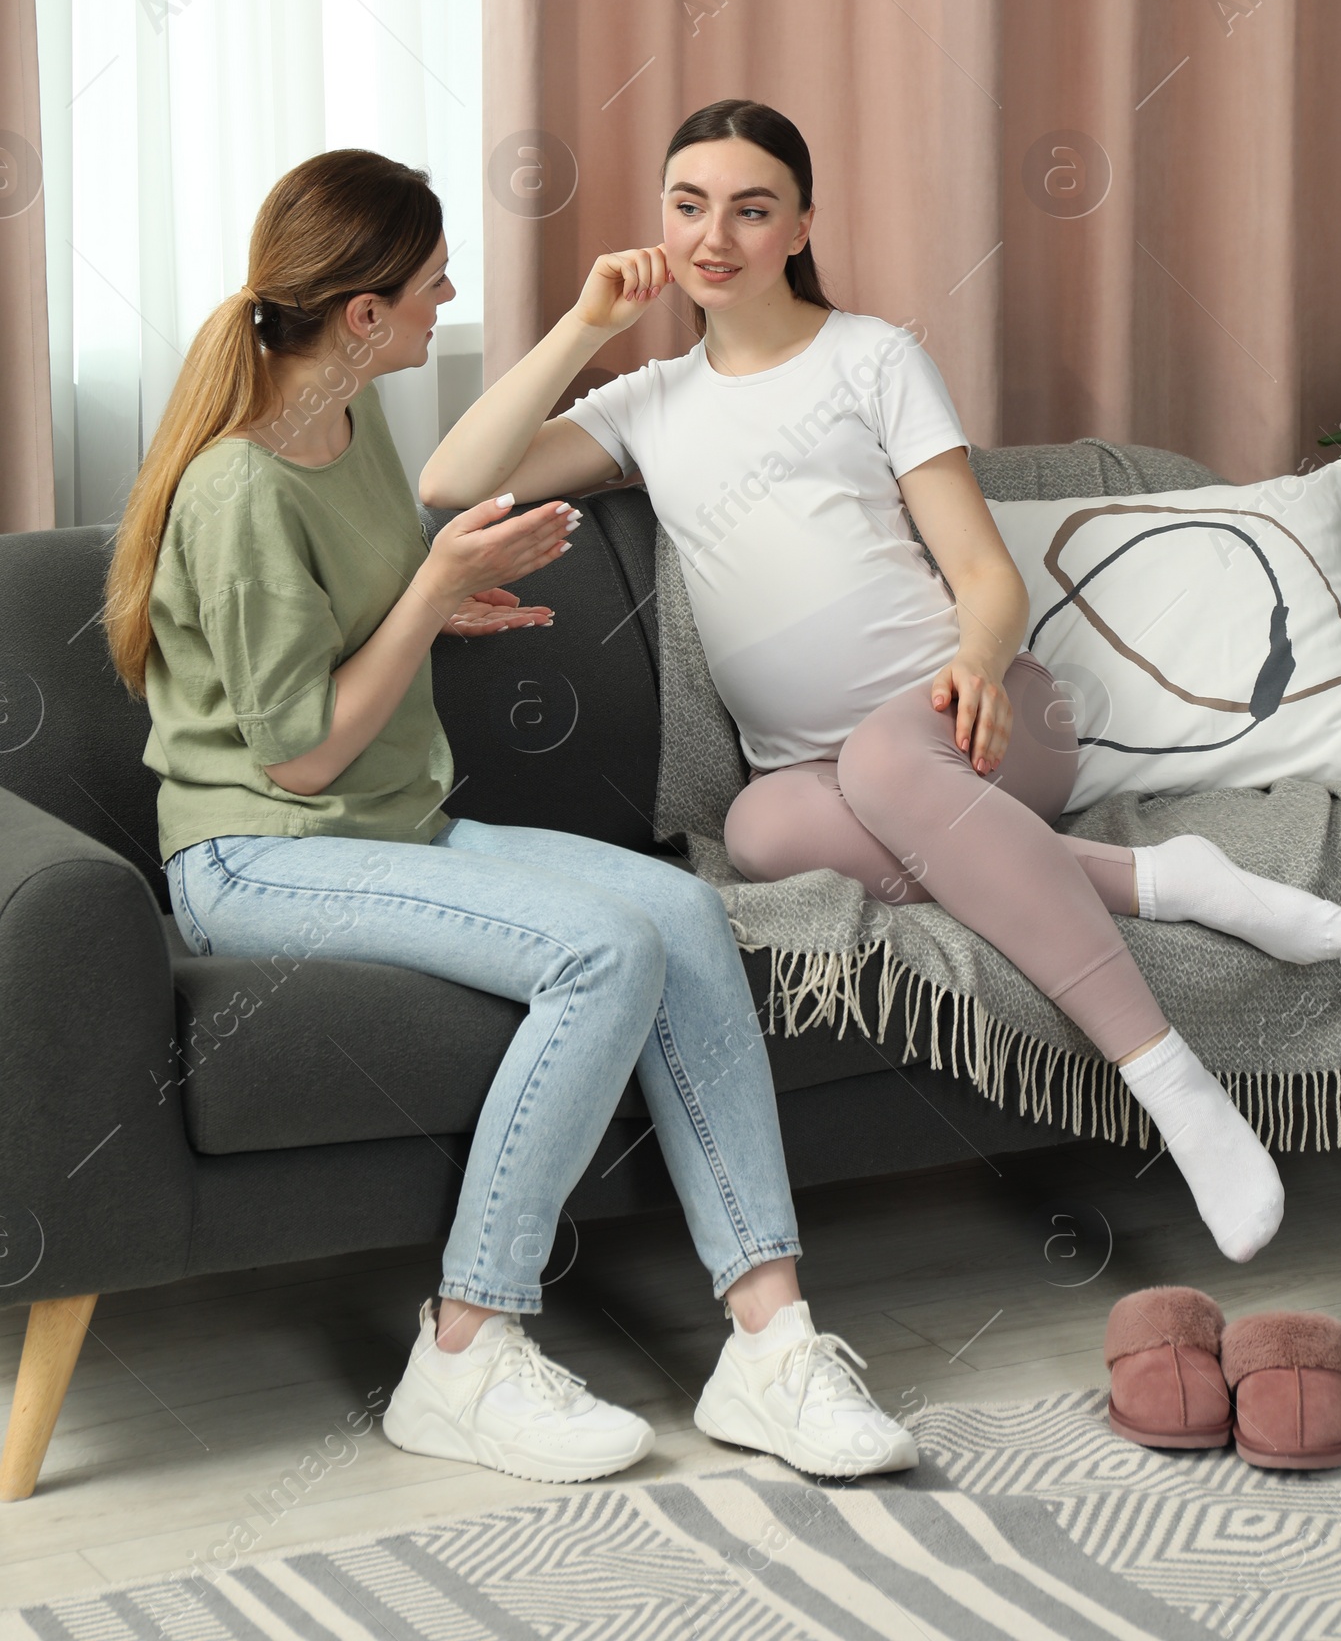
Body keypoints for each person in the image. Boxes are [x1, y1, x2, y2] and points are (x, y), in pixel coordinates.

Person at [425, 100, 1341, 1268]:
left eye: (751, 209)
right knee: (760, 833)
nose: (715, 235)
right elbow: (452, 478)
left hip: (981, 724)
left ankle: (1170, 1084)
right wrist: (580, 324)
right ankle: (1163, 880)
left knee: (882, 759)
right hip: (813, 781)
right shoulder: (648, 403)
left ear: (802, 223)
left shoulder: (872, 358)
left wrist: (976, 662)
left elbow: (980, 567)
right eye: (688, 206)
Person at [106, 146, 919, 1488]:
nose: (446, 300)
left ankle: (770, 1347)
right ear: (363, 314)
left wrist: (443, 598)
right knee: (601, 953)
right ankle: (466, 1350)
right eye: (431, 285)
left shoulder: (349, 424)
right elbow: (298, 757)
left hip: (390, 823)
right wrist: (429, 595)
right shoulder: (242, 486)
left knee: (676, 909)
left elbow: (346, 643)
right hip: (261, 856)